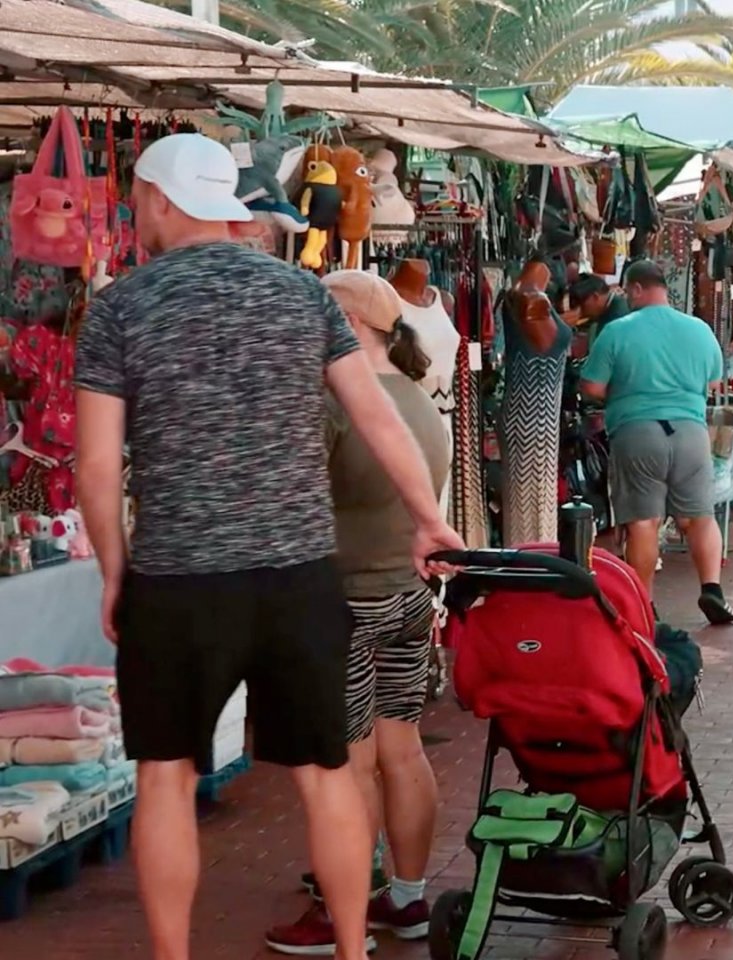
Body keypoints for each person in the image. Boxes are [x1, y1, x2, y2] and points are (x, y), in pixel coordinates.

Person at [73, 133, 462, 960]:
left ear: (165, 200)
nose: (136, 211)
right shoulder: (304, 296)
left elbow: (97, 467)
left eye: (140, 196)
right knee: (325, 777)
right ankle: (355, 951)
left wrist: (114, 570)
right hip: (298, 576)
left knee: (167, 778)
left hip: (178, 580)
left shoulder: (121, 307)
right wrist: (428, 517)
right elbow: (377, 415)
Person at [264, 271, 451, 952]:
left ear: (341, 320)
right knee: (399, 752)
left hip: (344, 603)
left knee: (344, 769)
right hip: (405, 596)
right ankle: (405, 897)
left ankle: (350, 914)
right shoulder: (417, 397)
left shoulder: (335, 403)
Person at [580, 259, 733, 624]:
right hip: (690, 432)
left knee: (643, 521)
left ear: (635, 288)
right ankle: (712, 589)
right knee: (699, 517)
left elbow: (592, 387)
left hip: (637, 431)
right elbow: (713, 382)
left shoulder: (617, 331)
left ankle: (644, 604)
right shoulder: (700, 329)